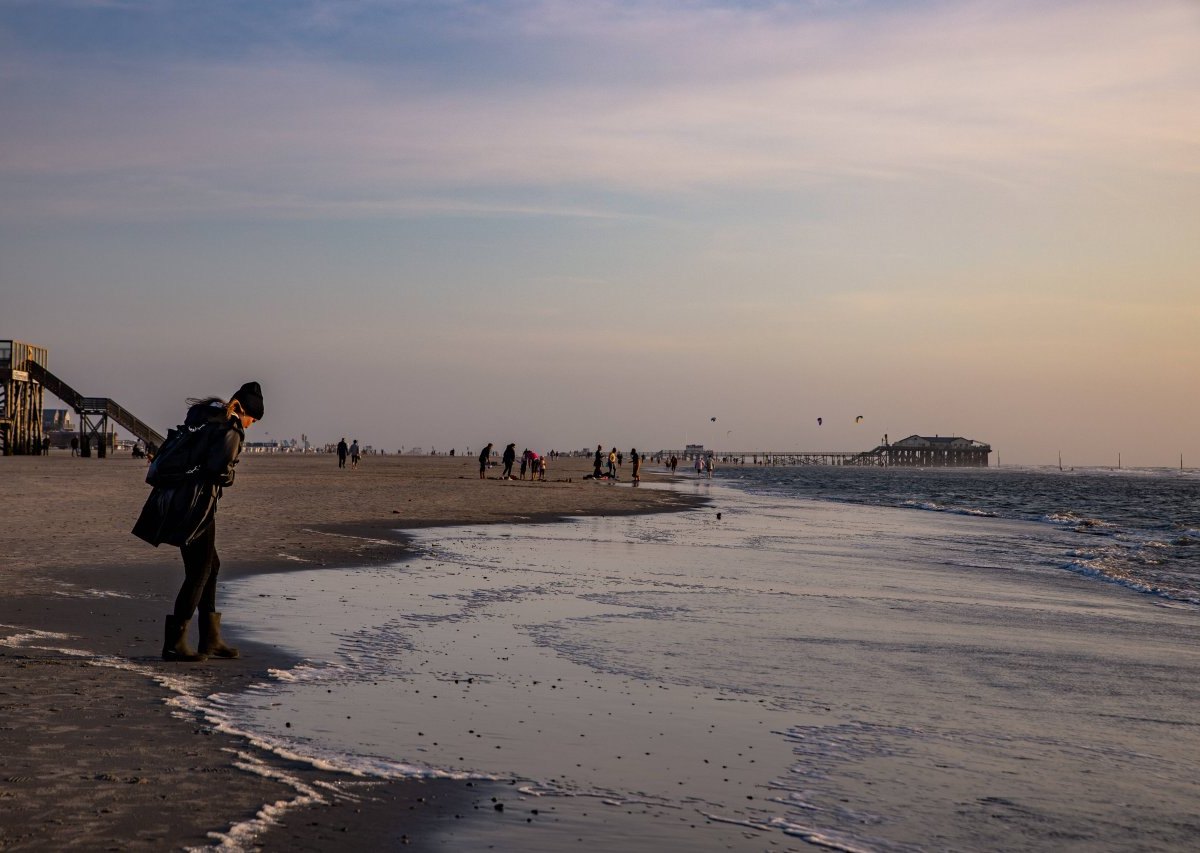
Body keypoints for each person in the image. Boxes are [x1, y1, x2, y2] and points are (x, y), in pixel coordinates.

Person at [133, 381, 264, 662]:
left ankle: (210, 639)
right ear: (246, 412)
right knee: (200, 570)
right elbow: (219, 471)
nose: (252, 424)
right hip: (196, 506)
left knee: (211, 566)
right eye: (253, 418)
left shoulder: (207, 416)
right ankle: (175, 643)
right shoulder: (230, 428)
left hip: (181, 501)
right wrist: (231, 476)